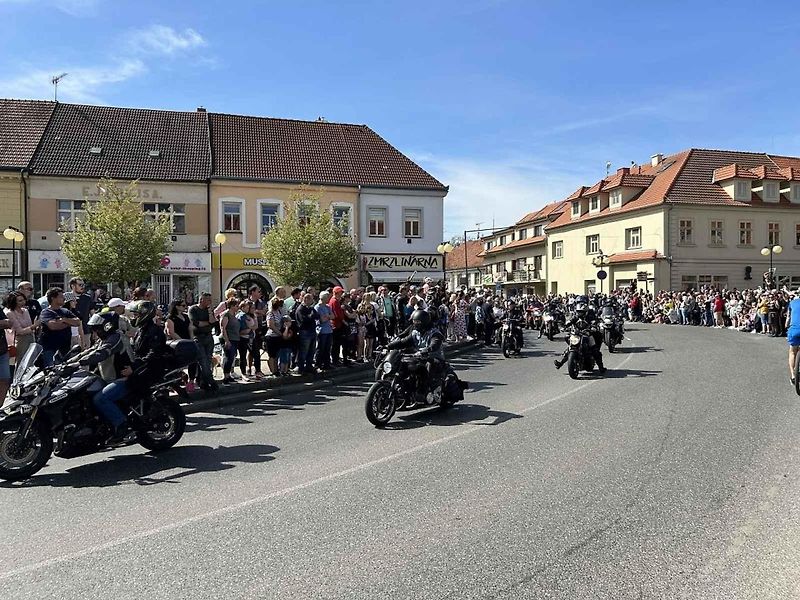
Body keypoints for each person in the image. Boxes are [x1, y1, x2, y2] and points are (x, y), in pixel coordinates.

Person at [81, 311, 133, 443]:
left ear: (107, 326)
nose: (95, 332)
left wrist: (80, 363)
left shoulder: (116, 338)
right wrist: (66, 363)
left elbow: (102, 353)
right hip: (108, 380)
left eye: (97, 329)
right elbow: (88, 352)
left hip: (123, 379)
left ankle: (122, 424)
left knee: (100, 399)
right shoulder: (102, 340)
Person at [386, 309, 446, 405]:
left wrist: (427, 349)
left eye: (418, 322)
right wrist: (388, 346)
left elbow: (435, 344)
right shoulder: (415, 333)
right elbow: (403, 342)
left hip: (434, 358)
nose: (415, 324)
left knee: (429, 366)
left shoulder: (435, 333)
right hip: (419, 357)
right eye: (414, 321)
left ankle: (428, 391)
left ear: (424, 322)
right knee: (404, 365)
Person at [553, 299, 606, 374]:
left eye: (581, 312)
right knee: (571, 347)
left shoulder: (590, 316)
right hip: (577, 334)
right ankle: (560, 363)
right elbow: (570, 322)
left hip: (587, 334)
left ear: (585, 312)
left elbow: (594, 322)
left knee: (594, 350)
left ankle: (601, 367)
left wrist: (594, 326)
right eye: (578, 311)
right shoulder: (576, 317)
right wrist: (564, 326)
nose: (579, 313)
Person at [39, 288, 81, 367]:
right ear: (53, 298)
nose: (64, 298)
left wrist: (64, 320)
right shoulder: (46, 312)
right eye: (61, 296)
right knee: (51, 370)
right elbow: (53, 326)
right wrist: (69, 323)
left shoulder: (65, 311)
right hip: (50, 349)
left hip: (65, 349)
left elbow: (77, 322)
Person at [188, 293, 218, 391]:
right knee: (203, 360)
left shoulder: (209, 310)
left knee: (208, 360)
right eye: (208, 300)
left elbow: (213, 322)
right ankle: (211, 381)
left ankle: (202, 382)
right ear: (201, 300)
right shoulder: (193, 309)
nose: (210, 302)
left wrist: (210, 312)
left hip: (208, 337)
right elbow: (196, 323)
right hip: (198, 337)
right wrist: (207, 323)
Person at [165, 298, 196, 391]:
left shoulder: (186, 317)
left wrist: (191, 340)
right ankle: (177, 381)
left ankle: (191, 381)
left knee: (193, 361)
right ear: (176, 306)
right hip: (177, 344)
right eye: (183, 305)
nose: (185, 307)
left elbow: (190, 328)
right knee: (177, 364)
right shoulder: (170, 318)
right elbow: (171, 332)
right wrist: (181, 341)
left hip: (188, 341)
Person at [4, 291, 39, 362]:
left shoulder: (25, 310)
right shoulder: (10, 313)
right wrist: (34, 326)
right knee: (21, 361)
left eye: (24, 300)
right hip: (20, 341)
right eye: (20, 301)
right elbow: (19, 331)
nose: (23, 302)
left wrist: (35, 327)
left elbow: (29, 325)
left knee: (31, 361)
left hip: (31, 338)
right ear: (14, 302)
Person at [247, 285, 267, 379]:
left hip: (258, 328)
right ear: (252, 292)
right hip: (249, 329)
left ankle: (257, 369)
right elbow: (246, 312)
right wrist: (258, 312)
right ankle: (249, 368)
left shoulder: (261, 302)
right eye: (258, 291)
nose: (260, 293)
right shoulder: (247, 302)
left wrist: (255, 311)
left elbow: (264, 312)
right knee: (250, 350)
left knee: (257, 349)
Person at [219, 298, 241, 384]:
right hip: (229, 338)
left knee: (232, 358)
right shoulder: (226, 315)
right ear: (231, 306)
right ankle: (225, 377)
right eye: (236, 305)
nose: (238, 307)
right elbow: (223, 328)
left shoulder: (234, 315)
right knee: (229, 357)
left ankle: (229, 375)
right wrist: (227, 340)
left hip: (235, 338)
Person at [296, 292, 319, 374]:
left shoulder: (311, 308)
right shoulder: (300, 309)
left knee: (311, 350)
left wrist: (311, 316)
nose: (312, 301)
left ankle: (309, 366)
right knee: (304, 351)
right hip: (305, 332)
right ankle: (301, 368)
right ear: (306, 299)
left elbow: (317, 316)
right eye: (311, 299)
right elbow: (303, 320)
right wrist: (310, 316)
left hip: (312, 331)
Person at [68, 277, 94, 348]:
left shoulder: (87, 298)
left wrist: (94, 330)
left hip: (85, 330)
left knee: (86, 352)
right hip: (70, 332)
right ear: (73, 286)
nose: (82, 287)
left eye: (83, 285)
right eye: (80, 285)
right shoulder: (67, 296)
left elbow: (92, 314)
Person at [236, 300, 256, 379]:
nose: (248, 309)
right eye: (247, 308)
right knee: (243, 356)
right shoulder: (242, 316)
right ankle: (243, 373)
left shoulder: (244, 315)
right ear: (242, 307)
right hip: (244, 338)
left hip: (247, 337)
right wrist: (249, 328)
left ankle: (245, 372)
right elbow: (245, 329)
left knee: (244, 355)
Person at [265, 297, 284, 376]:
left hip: (278, 337)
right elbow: (270, 325)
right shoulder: (270, 313)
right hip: (271, 336)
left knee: (276, 354)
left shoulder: (278, 312)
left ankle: (276, 370)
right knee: (272, 355)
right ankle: (273, 371)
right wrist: (279, 333)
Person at [315, 291, 333, 372]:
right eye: (327, 297)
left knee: (327, 348)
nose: (328, 299)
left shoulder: (328, 306)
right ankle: (318, 364)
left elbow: (333, 316)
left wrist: (327, 316)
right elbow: (321, 320)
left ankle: (327, 364)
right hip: (322, 331)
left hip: (329, 330)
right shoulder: (317, 307)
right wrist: (328, 317)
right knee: (321, 348)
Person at [788, 292, 800, 384]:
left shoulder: (792, 302)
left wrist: (787, 325)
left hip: (794, 329)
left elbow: (788, 317)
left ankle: (793, 375)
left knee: (792, 352)